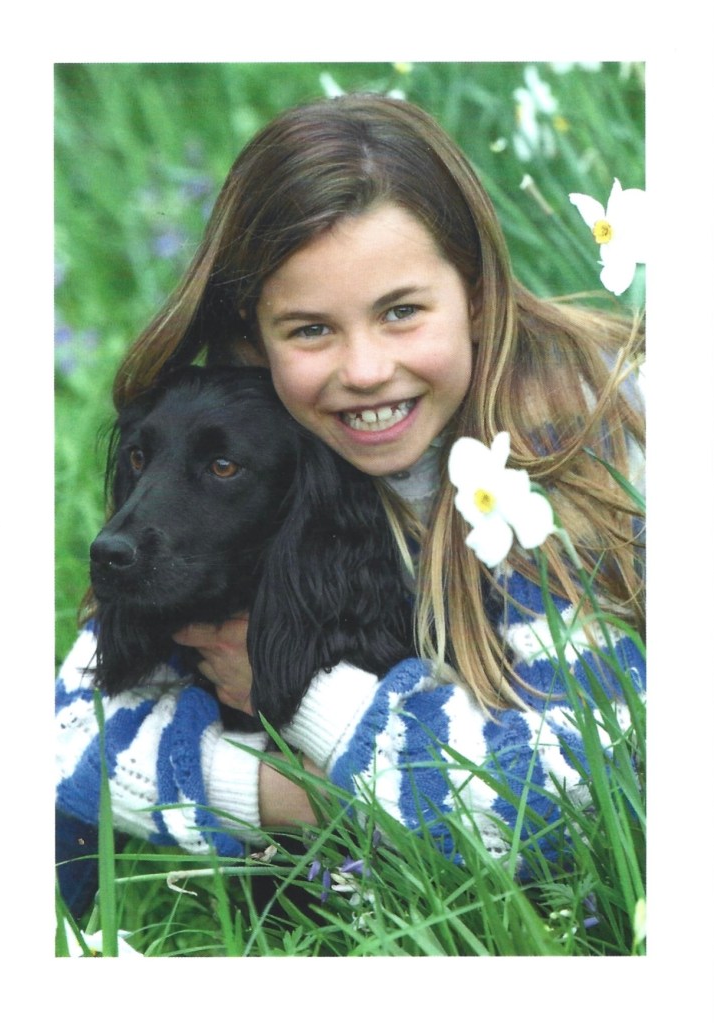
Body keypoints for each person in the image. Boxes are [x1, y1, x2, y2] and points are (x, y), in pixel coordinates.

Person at [56, 93, 645, 914]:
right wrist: (287, 793)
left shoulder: (576, 445)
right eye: (310, 329)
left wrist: (310, 712)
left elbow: (566, 800)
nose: (364, 370)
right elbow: (64, 739)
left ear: (477, 295)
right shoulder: (279, 430)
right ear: (252, 339)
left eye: (400, 312)